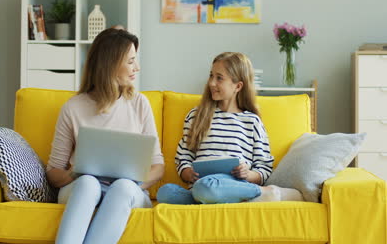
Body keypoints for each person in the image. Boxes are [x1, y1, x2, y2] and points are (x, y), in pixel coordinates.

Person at [46, 28, 165, 244]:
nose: (136, 68)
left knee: (123, 186)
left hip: (129, 191)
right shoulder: (73, 108)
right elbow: (53, 173)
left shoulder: (139, 104)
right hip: (81, 188)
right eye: (130, 61)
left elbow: (158, 166)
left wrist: (135, 183)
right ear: (110, 64)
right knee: (88, 183)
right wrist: (76, 173)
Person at [157, 52, 303, 205]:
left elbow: (264, 167)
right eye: (211, 76)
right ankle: (226, 198)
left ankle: (264, 192)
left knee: (205, 187)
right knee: (165, 192)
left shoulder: (251, 121)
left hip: (229, 184)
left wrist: (248, 174)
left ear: (238, 86)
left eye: (219, 78)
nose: (212, 83)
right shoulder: (195, 116)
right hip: (200, 187)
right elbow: (184, 156)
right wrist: (187, 173)